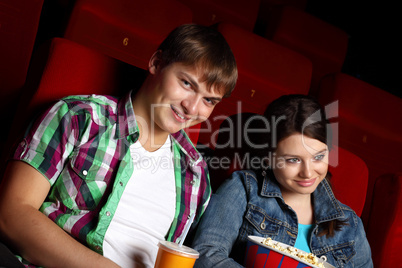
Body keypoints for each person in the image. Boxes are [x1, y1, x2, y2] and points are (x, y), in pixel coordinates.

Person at [0, 24, 238, 267]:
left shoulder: (196, 172)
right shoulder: (79, 118)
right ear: (156, 63)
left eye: (209, 100)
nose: (192, 108)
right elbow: (11, 214)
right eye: (187, 83)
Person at [192, 95, 373, 268]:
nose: (308, 172)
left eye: (318, 157)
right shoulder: (243, 189)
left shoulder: (351, 224)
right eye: (293, 160)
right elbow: (206, 254)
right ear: (268, 157)